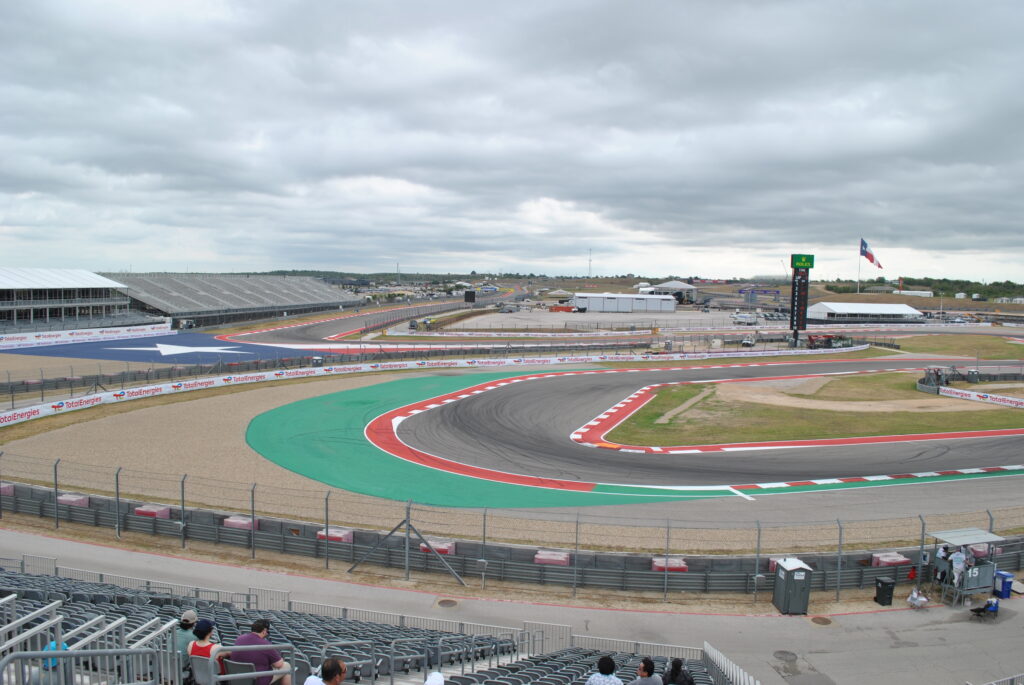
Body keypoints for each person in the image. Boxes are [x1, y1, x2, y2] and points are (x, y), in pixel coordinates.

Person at [233, 618, 292, 685]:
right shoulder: (265, 644)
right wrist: (280, 659)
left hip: (237, 678)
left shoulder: (239, 638)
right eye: (267, 632)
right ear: (264, 631)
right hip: (257, 681)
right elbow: (279, 664)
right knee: (286, 666)